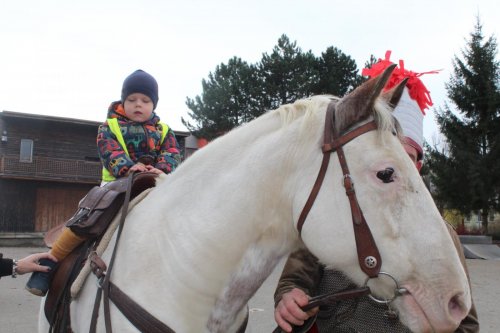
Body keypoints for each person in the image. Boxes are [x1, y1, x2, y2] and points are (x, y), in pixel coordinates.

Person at [274, 52, 479, 333]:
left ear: (418, 166)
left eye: (408, 158)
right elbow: (294, 279)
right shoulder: (330, 216)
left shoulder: (445, 234)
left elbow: (465, 323)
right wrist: (289, 296)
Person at [25, 69, 181, 296]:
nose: (138, 104)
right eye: (132, 99)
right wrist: (128, 166)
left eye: (145, 100)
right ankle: (50, 263)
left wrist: (162, 168)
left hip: (154, 183)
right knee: (88, 218)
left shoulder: (164, 131)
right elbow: (109, 151)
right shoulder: (109, 127)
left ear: (154, 104)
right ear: (123, 101)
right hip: (116, 184)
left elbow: (173, 153)